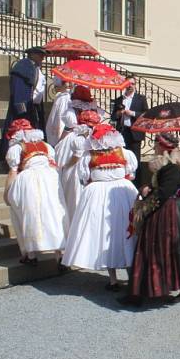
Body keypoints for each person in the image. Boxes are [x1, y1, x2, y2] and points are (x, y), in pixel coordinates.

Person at [62, 123, 139, 291]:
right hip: (123, 191)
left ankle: (113, 280)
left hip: (97, 193)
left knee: (103, 233)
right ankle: (133, 274)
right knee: (127, 230)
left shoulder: (88, 157)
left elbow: (84, 178)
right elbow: (131, 174)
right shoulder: (125, 153)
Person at [121, 162, 180, 306]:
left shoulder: (171, 167)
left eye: (157, 143)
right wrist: (150, 188)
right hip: (177, 210)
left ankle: (144, 291)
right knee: (178, 250)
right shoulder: (175, 166)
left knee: (155, 249)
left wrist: (146, 202)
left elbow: (165, 192)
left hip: (167, 212)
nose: (155, 146)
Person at [3, 118, 67, 266]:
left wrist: (7, 191)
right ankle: (60, 254)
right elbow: (53, 165)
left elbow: (13, 172)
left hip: (29, 179)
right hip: (49, 178)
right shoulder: (45, 146)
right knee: (53, 212)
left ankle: (30, 254)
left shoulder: (17, 148)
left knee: (27, 212)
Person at [0, 47, 48, 156]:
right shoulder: (23, 67)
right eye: (40, 55)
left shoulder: (35, 68)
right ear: (32, 55)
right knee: (18, 132)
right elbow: (18, 89)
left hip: (33, 107)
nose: (42, 58)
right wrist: (21, 108)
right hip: (24, 108)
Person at [55, 109, 100, 223]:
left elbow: (76, 157)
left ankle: (75, 222)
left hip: (77, 170)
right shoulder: (96, 138)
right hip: (88, 169)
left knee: (75, 196)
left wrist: (66, 166)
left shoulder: (78, 139)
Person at [111, 79, 148, 166]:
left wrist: (132, 113)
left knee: (135, 161)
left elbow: (146, 114)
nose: (130, 85)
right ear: (124, 85)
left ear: (135, 85)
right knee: (122, 158)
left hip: (135, 133)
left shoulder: (141, 99)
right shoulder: (119, 100)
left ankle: (136, 179)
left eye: (132, 84)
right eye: (128, 83)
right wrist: (118, 113)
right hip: (122, 132)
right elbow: (113, 117)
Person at [45, 77, 71, 147]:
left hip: (61, 125)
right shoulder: (60, 97)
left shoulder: (64, 97)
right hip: (57, 124)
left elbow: (60, 116)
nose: (55, 88)